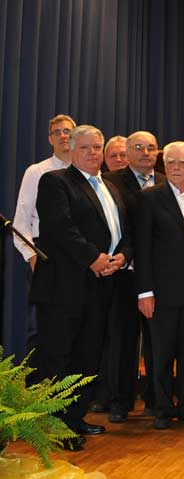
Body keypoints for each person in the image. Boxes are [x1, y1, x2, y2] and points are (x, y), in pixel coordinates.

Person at [30, 125, 132, 451]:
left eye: (97, 147)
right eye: (86, 147)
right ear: (71, 150)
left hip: (101, 286)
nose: (93, 153)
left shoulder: (111, 187)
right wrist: (93, 259)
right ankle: (56, 427)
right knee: (59, 358)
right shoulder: (55, 182)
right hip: (64, 288)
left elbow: (124, 231)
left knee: (88, 358)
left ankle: (75, 418)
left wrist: (121, 257)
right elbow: (61, 229)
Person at [136, 141, 184, 430]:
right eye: (171, 163)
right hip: (161, 292)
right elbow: (142, 249)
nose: (177, 168)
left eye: (183, 163)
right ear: (164, 166)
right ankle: (162, 409)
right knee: (161, 354)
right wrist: (144, 291)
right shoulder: (149, 198)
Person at [101, 131, 166, 420]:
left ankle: (156, 398)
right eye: (138, 148)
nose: (145, 152)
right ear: (128, 152)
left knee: (158, 341)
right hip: (124, 273)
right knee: (123, 339)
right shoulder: (110, 182)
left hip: (159, 275)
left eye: (151, 148)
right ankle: (120, 401)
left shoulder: (167, 182)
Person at [12, 114, 76, 351]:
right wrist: (32, 256)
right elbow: (21, 221)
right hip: (45, 253)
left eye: (67, 131)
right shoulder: (36, 171)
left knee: (76, 326)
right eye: (57, 132)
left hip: (79, 255)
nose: (62, 136)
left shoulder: (86, 172)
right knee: (44, 327)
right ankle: (39, 386)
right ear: (50, 139)